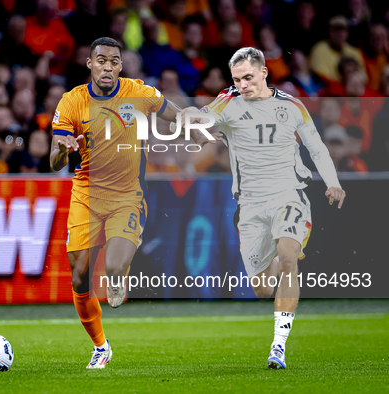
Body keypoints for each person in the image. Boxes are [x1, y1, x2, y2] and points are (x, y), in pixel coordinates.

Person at [49, 37, 211, 369]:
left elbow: (173, 113)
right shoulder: (71, 102)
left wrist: (192, 129)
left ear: (120, 66)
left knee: (112, 268)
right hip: (86, 195)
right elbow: (54, 162)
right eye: (101, 60)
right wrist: (62, 150)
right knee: (79, 276)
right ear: (90, 64)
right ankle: (100, 347)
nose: (107, 66)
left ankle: (119, 275)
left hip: (127, 196)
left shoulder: (139, 92)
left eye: (113, 61)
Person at [194, 47, 345, 369]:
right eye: (237, 79)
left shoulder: (291, 106)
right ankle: (278, 255)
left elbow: (316, 147)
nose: (243, 85)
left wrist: (333, 182)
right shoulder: (228, 100)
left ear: (264, 72)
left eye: (248, 77)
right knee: (262, 288)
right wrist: (202, 131)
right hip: (249, 204)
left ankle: (278, 346)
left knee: (289, 259)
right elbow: (199, 119)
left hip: (288, 195)